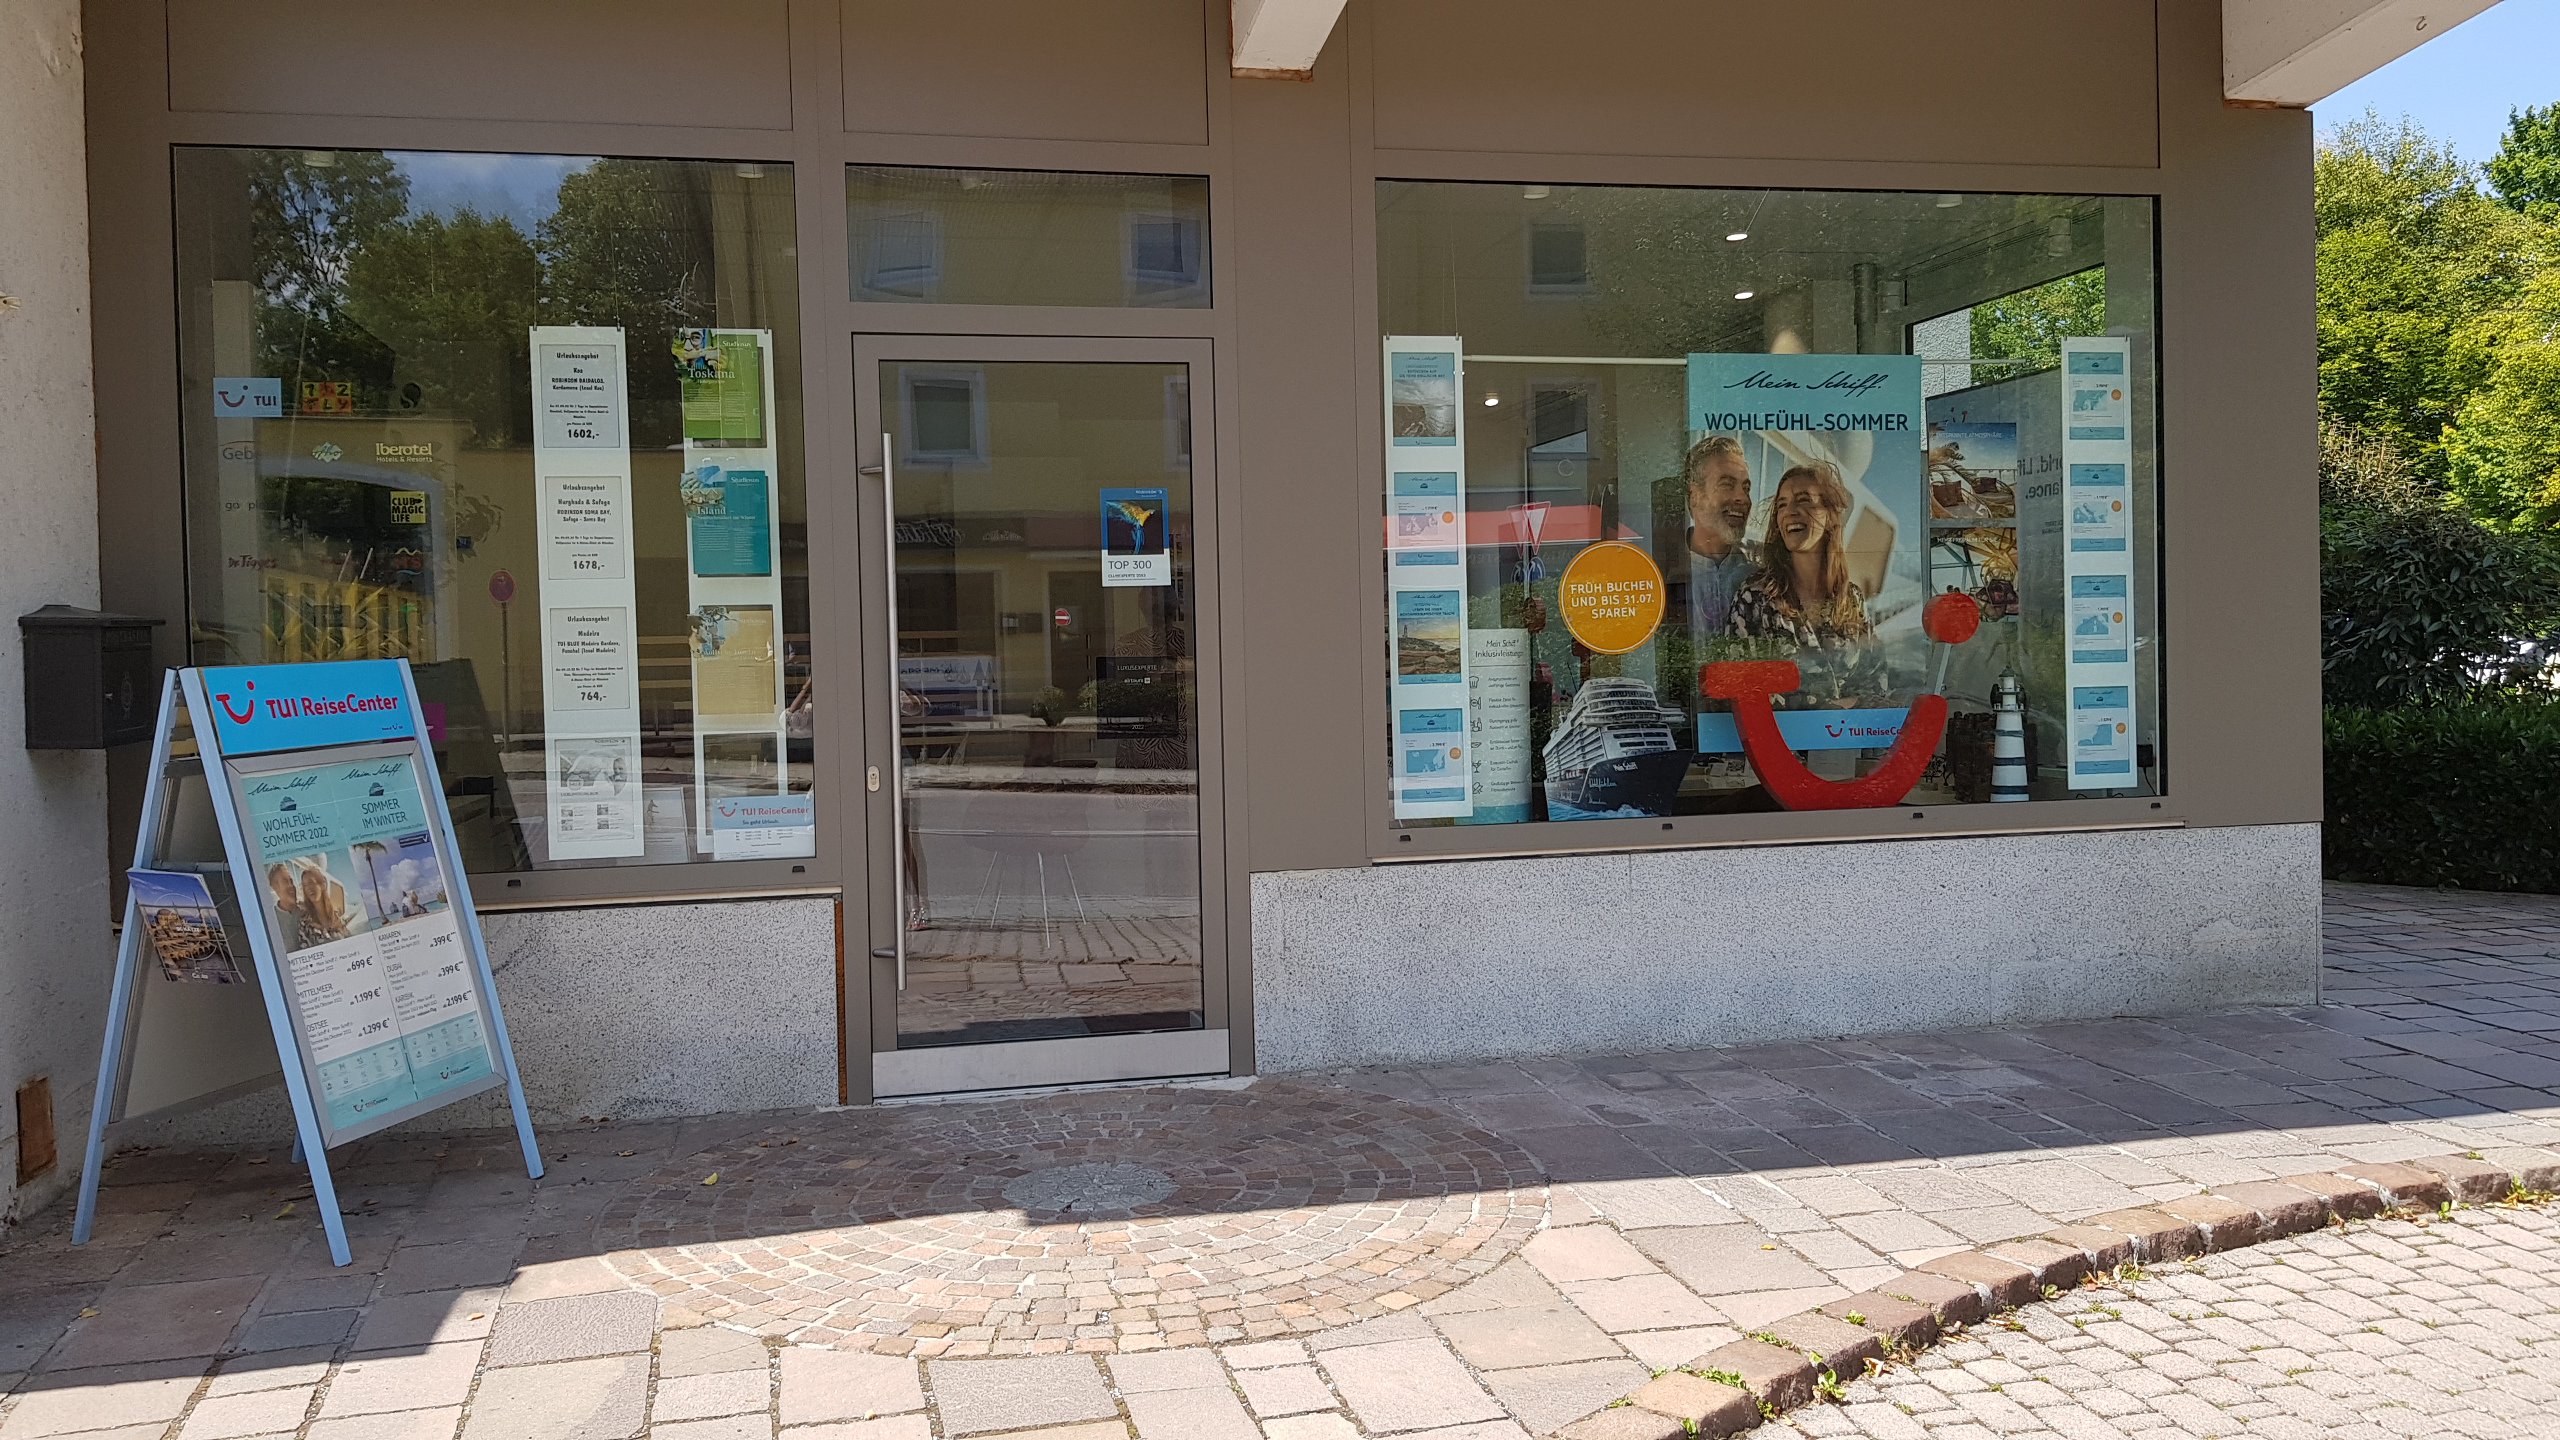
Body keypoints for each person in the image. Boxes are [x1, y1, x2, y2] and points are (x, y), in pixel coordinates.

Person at [1729, 459, 1887, 705]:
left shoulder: (1851, 599)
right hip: (1781, 732)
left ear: (1830, 516)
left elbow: (1875, 678)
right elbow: (1744, 688)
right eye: (1782, 505)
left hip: (1853, 730)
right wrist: (1829, 709)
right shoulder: (1755, 597)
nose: (1790, 511)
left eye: (1803, 500)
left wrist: (1843, 710)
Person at [1671, 435, 1754, 640]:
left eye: (1746, 488)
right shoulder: (1662, 571)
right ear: (1695, 496)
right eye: (1727, 485)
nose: (1742, 498)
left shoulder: (1760, 570)